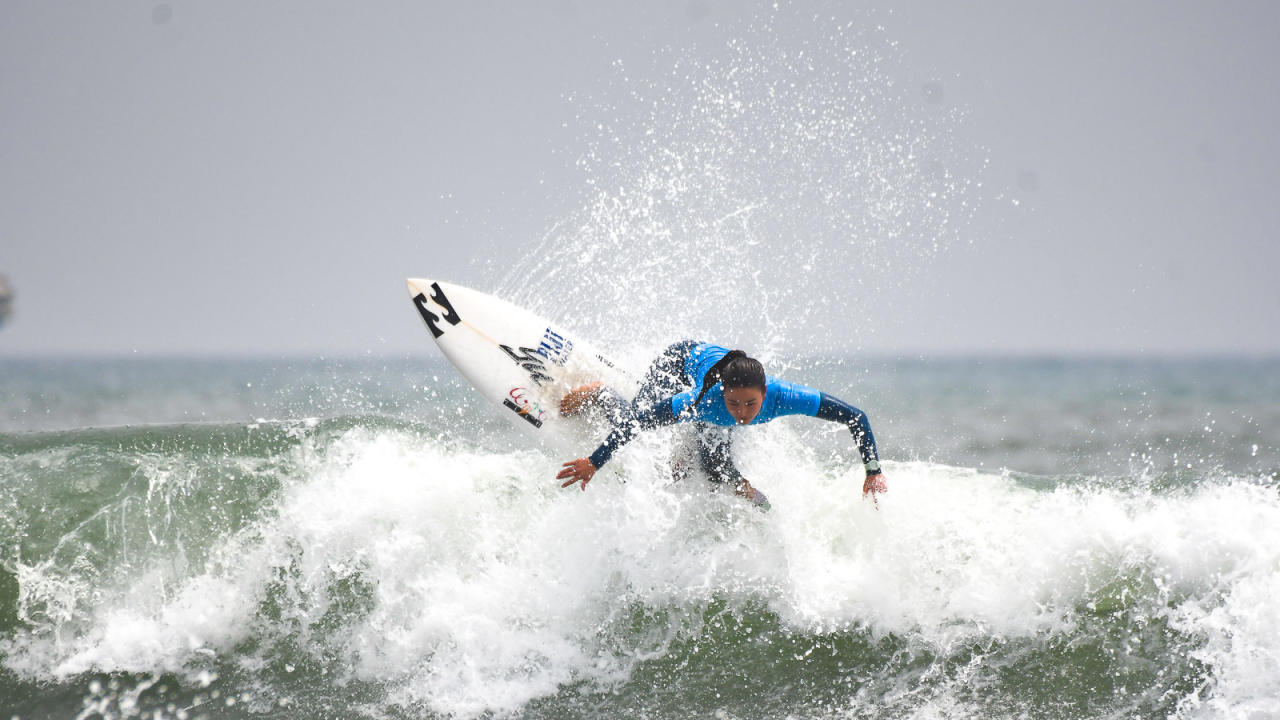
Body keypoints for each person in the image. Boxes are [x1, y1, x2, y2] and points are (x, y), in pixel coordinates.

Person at [556, 341, 887, 508]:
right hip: (679, 361)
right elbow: (638, 425)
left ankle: (761, 507)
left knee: (715, 471)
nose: (742, 413)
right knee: (633, 415)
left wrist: (873, 472)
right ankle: (601, 395)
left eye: (750, 405)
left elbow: (855, 417)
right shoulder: (702, 402)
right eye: (734, 403)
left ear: (765, 394)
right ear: (722, 395)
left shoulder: (786, 396)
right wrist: (594, 462)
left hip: (717, 378)